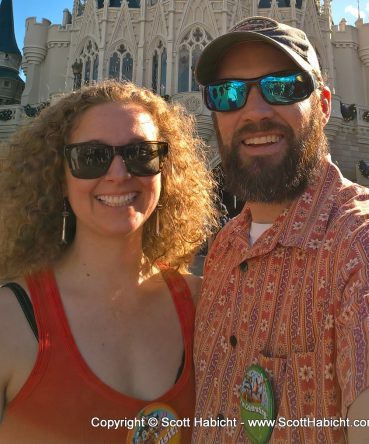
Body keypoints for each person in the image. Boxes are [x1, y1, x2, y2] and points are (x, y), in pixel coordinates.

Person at [192, 17, 369, 444]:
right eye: (228, 93)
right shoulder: (225, 248)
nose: (254, 110)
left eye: (283, 86)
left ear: (323, 105)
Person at [0, 80, 217, 443]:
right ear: (59, 175)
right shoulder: (11, 322)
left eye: (141, 154)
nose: (118, 174)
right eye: (91, 157)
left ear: (166, 170)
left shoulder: (206, 306)